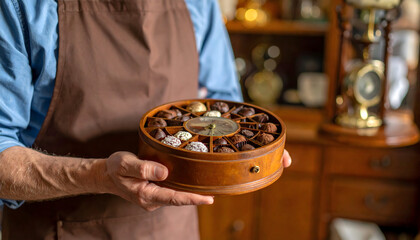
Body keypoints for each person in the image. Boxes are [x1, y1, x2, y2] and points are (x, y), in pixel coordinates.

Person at [0, 0, 292, 239]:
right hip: (59, 228)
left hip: (172, 229)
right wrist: (99, 175)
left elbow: (224, 105)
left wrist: (246, 162)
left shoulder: (199, 4)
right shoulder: (22, 7)